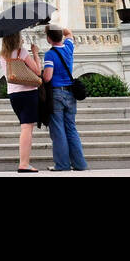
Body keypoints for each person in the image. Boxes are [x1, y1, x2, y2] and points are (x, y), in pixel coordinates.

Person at [41, 25, 88, 171]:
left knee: (58, 130)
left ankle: (62, 165)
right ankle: (80, 164)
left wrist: (40, 74)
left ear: (49, 39)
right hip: (70, 94)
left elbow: (47, 77)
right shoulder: (69, 47)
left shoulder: (50, 54)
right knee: (71, 129)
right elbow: (69, 32)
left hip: (56, 94)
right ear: (60, 36)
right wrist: (56, 27)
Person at [0, 31, 43, 172]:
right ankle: (24, 164)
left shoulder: (3, 55)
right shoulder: (22, 52)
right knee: (26, 128)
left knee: (25, 127)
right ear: (16, 38)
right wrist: (35, 53)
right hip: (28, 92)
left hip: (13, 94)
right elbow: (37, 71)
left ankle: (24, 163)